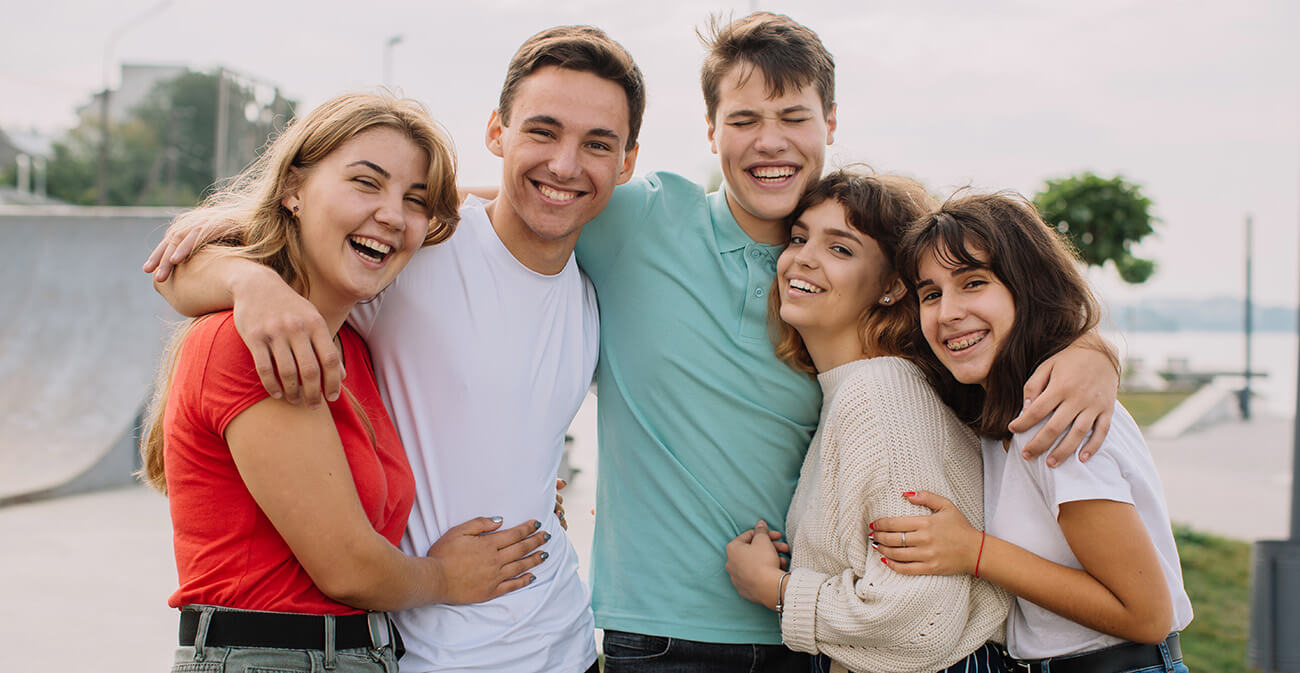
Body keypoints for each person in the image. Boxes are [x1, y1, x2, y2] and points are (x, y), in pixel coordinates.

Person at [574, 13, 1119, 672]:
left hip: (818, 640)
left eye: (794, 116)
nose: (769, 142)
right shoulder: (641, 220)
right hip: (664, 628)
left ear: (830, 123)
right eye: (744, 119)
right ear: (711, 129)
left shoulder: (883, 252)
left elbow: (1002, 299)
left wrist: (1091, 352)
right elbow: (496, 220)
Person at [145, 26, 644, 673]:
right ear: (498, 132)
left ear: (627, 163)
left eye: (597, 143)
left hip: (563, 644)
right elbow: (223, 257)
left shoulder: (593, 284)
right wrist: (246, 278)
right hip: (423, 655)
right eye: (544, 131)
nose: (565, 163)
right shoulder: (411, 260)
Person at [873, 193, 1193, 672]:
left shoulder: (1054, 416)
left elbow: (1145, 616)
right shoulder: (997, 410)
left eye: (973, 282)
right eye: (931, 293)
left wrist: (973, 552)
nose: (948, 312)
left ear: (1028, 287)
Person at [722, 169, 1010, 673]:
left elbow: (918, 616)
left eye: (841, 249)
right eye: (798, 237)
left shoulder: (880, 394)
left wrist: (776, 589)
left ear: (892, 287)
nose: (803, 257)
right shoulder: (851, 389)